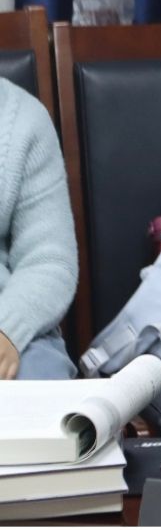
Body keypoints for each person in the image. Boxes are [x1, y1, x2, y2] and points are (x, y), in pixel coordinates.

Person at [0, 79, 78, 380]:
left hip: (12, 324)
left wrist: (8, 328)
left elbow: (49, 260)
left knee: (42, 381)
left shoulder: (23, 118)